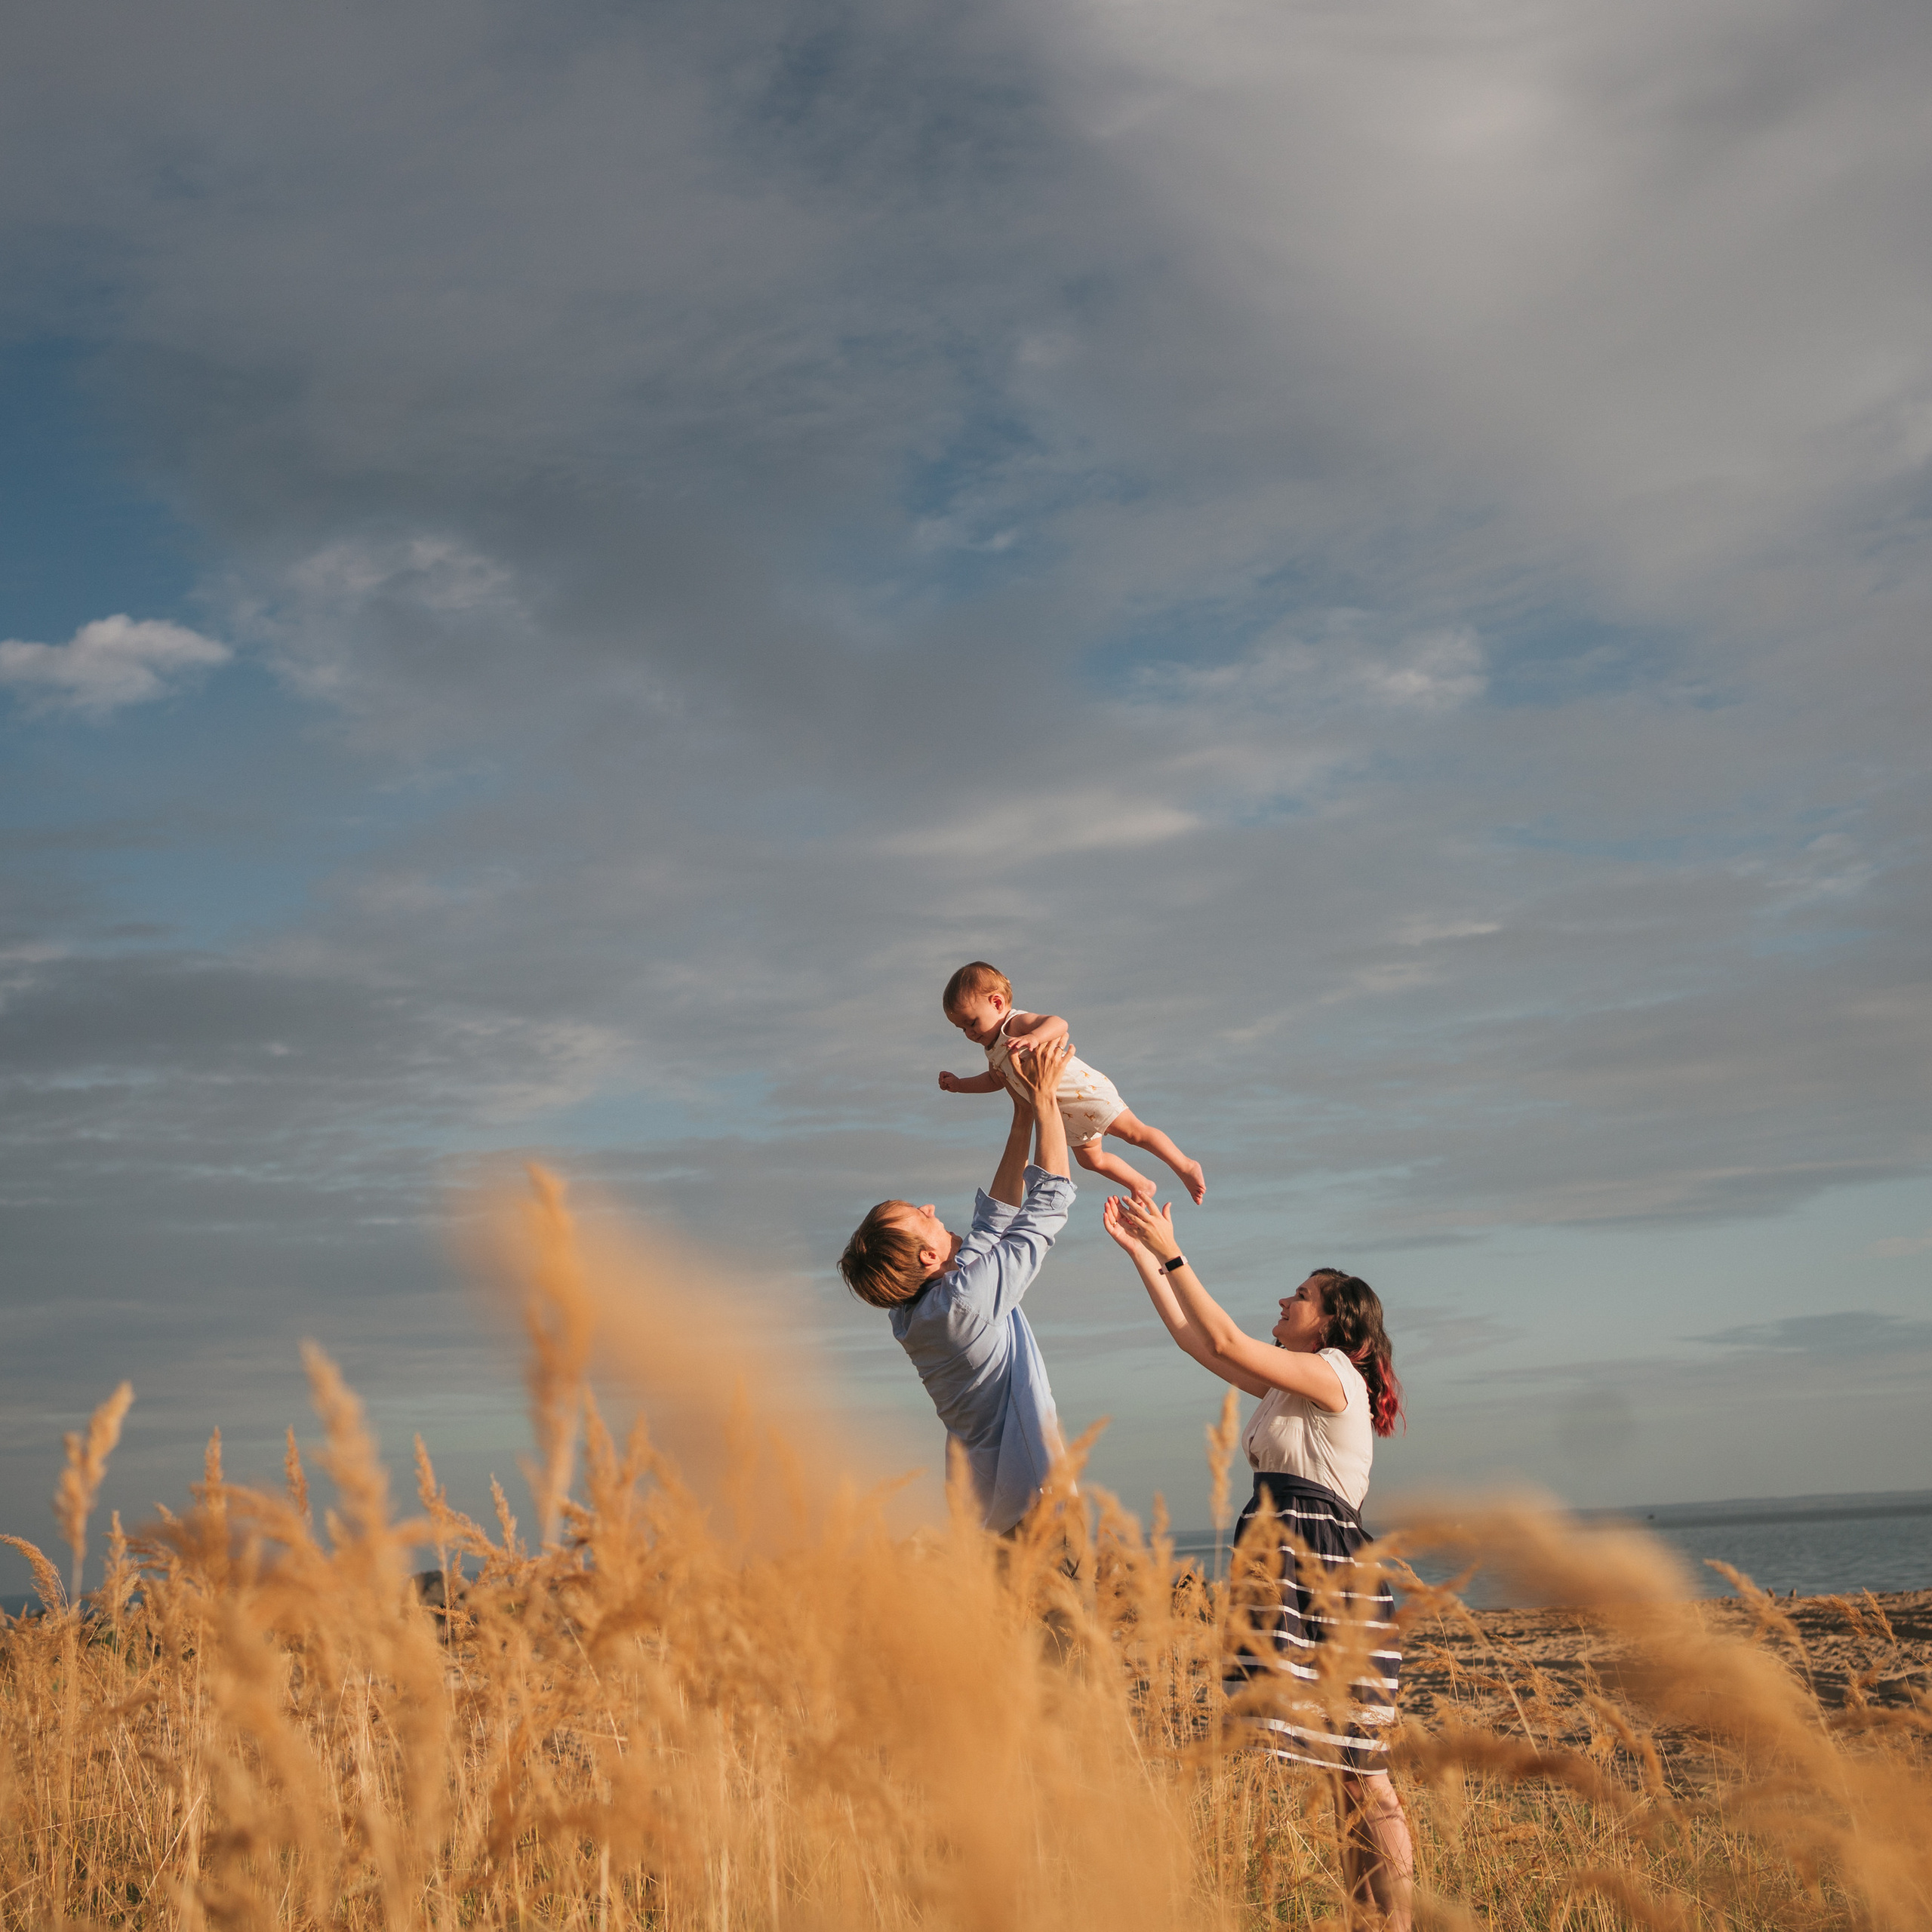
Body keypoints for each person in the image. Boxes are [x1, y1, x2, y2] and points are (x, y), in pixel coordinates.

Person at [1103, 1193, 1413, 1932]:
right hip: (1294, 1563)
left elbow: (1230, 1340)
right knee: (1344, 1770)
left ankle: (1396, 1923)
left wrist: (1173, 1247)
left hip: (1329, 1571)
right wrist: (1141, 1253)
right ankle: (1364, 1919)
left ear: (1336, 1323)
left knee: (1363, 1769)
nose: (1286, 1297)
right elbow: (1199, 1342)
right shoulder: (1290, 1384)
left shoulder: (1336, 1372)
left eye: (1302, 1295)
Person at [838, 1036, 1078, 1534]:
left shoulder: (912, 1314)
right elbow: (1047, 1205)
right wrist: (1047, 1100)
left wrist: (1021, 1114)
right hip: (1037, 1507)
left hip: (989, 1514)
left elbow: (992, 1224)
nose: (929, 1209)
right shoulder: (962, 1305)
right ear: (929, 1257)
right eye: (918, 1218)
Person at [936, 960, 1205, 1204]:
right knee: (1091, 1160)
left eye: (972, 1023)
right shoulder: (992, 1050)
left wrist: (1035, 1038)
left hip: (1085, 1094)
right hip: (1064, 1116)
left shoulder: (1015, 1024)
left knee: (1135, 1133)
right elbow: (995, 1080)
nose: (969, 1034)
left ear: (996, 1004)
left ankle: (1185, 1165)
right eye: (962, 1029)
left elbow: (1058, 1023)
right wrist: (961, 1084)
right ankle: (1141, 1184)